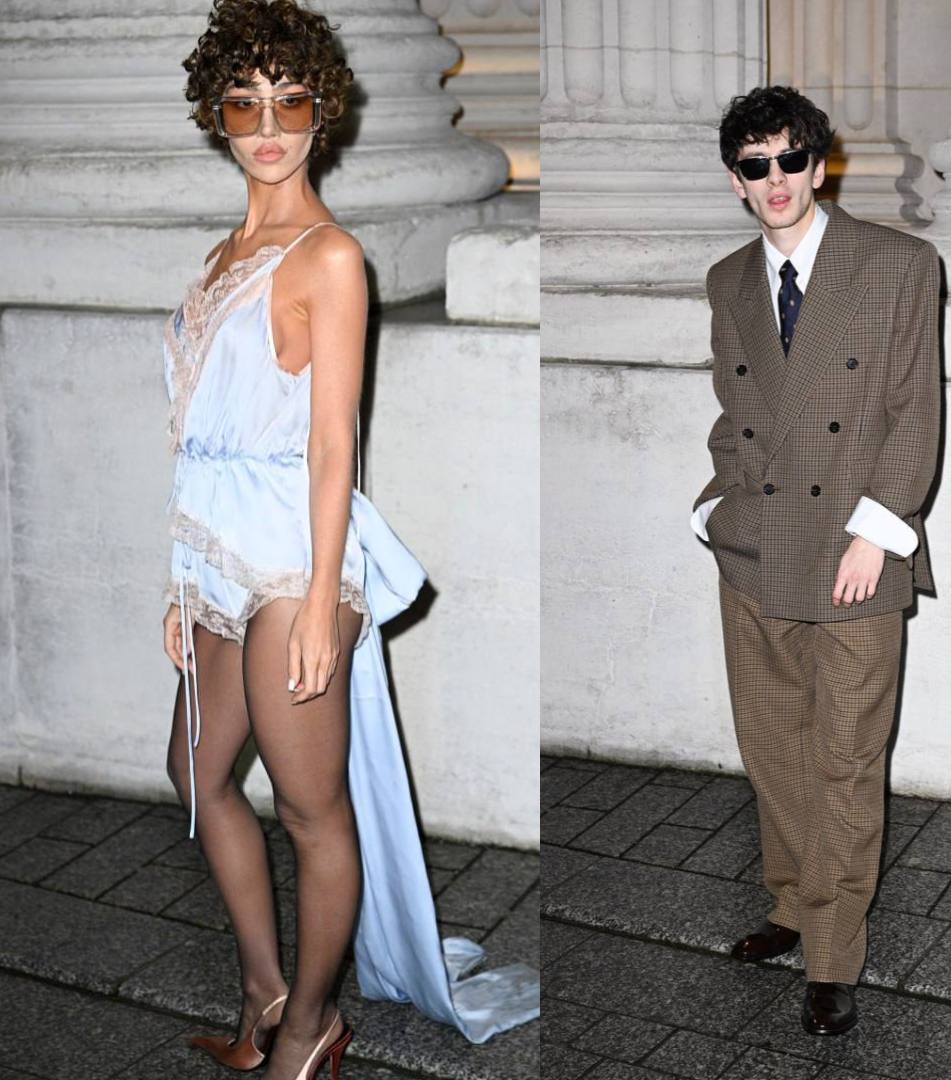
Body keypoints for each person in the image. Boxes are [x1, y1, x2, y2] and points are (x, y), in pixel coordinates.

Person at [162, 2, 538, 1076]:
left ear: (321, 114)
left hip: (292, 561)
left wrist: (326, 596)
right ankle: (265, 990)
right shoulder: (223, 254)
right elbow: (194, 439)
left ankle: (310, 1026)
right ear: (216, 115)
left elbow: (335, 445)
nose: (267, 127)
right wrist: (177, 581)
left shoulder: (329, 257)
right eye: (244, 103)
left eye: (289, 103)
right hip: (214, 555)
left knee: (311, 810)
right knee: (194, 774)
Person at [691, 85, 941, 1036]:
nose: (777, 180)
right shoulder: (727, 280)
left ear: (819, 163)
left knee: (844, 759)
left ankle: (833, 956)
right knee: (772, 746)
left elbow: (915, 412)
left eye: (791, 159)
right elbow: (734, 416)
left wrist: (879, 530)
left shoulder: (897, 264)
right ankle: (793, 903)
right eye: (755, 166)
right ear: (735, 180)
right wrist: (713, 509)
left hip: (855, 553)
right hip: (754, 551)